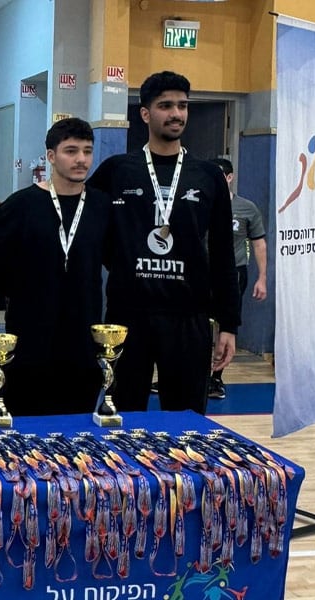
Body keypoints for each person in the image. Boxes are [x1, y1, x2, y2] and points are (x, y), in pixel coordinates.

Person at [87, 70, 240, 415]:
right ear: (145, 113)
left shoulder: (209, 176)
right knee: (123, 418)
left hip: (188, 316)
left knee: (186, 420)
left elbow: (222, 254)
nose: (176, 113)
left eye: (182, 106)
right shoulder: (117, 171)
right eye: (165, 105)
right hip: (128, 316)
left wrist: (229, 324)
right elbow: (82, 218)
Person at [0, 117, 109, 415]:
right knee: (24, 430)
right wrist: (26, 290)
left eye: (87, 151)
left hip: (82, 342)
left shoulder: (102, 206)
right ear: (51, 156)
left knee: (77, 429)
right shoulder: (20, 205)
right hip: (29, 341)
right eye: (71, 151)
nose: (81, 159)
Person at [207, 157, 267, 399]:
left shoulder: (246, 208)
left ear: (229, 177)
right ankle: (187, 375)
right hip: (201, 271)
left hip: (233, 273)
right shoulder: (199, 203)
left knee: (226, 325)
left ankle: (216, 378)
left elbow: (259, 243)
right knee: (194, 324)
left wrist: (262, 277)